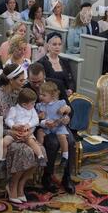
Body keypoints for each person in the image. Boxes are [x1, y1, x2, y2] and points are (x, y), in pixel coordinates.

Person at [0, 63, 44, 203]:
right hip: (2, 138)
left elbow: (30, 116)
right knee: (25, 152)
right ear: (11, 80)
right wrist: (12, 132)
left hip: (22, 135)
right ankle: (12, 184)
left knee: (40, 150)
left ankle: (21, 184)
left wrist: (28, 131)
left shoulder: (20, 94)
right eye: (21, 80)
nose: (24, 82)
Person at [24, 62, 76, 194]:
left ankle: (67, 178)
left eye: (39, 81)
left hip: (59, 124)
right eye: (33, 81)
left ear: (44, 76)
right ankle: (47, 177)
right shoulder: (25, 90)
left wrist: (67, 116)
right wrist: (41, 120)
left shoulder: (56, 84)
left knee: (70, 141)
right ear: (28, 78)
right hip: (39, 128)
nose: (36, 85)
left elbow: (68, 107)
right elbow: (24, 115)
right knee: (52, 143)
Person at [3, 88, 46, 169]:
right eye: (32, 103)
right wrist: (13, 126)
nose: (34, 105)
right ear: (24, 104)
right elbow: (8, 119)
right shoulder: (14, 109)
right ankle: (2, 159)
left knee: (32, 142)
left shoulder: (32, 110)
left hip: (27, 132)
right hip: (15, 132)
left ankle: (40, 157)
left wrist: (29, 125)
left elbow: (36, 120)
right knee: (4, 142)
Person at [36, 81, 71, 167]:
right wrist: (39, 116)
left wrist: (65, 109)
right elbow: (35, 117)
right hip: (46, 127)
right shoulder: (40, 105)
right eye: (40, 94)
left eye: (44, 95)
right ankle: (40, 152)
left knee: (62, 137)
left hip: (58, 126)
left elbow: (68, 109)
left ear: (52, 96)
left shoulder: (60, 103)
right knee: (40, 132)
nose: (40, 97)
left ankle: (65, 156)